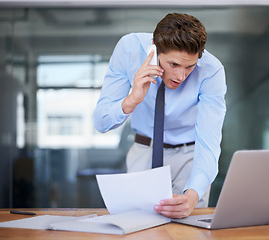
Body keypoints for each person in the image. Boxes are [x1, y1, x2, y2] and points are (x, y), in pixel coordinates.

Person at [93, 13, 227, 219]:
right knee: (137, 226)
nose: (181, 76)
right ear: (155, 48)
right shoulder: (129, 49)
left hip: (191, 157)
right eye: (173, 64)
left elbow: (209, 141)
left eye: (189, 67)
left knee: (190, 228)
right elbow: (101, 123)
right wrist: (132, 99)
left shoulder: (211, 71)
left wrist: (192, 196)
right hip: (144, 151)